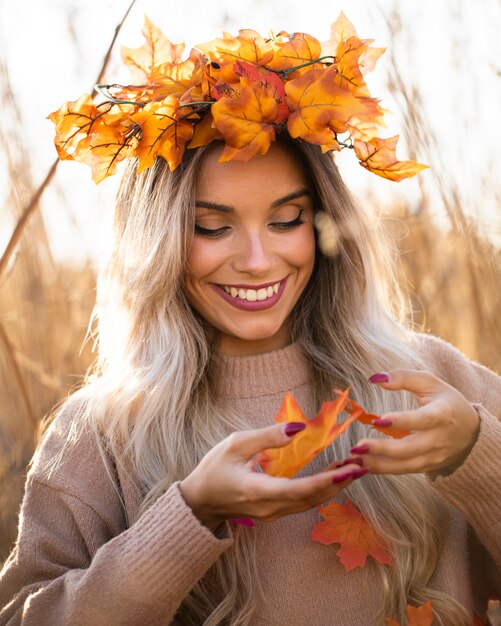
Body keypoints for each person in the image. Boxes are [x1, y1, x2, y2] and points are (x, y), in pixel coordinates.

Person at [1, 15, 500, 626]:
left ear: (323, 224)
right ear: (157, 240)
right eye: (212, 227)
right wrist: (190, 517)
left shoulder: (431, 380)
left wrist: (477, 456)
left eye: (287, 219)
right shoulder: (101, 435)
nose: (259, 261)